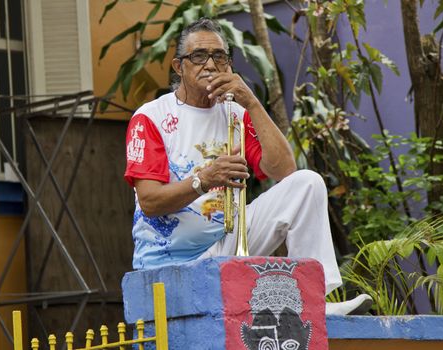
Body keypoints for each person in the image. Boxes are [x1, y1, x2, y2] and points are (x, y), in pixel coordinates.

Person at [124, 18, 371, 315]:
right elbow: (150, 202)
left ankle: (315, 302)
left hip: (226, 241)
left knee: (308, 182)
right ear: (179, 67)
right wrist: (204, 179)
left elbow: (285, 172)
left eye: (220, 57)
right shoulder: (151, 117)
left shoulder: (236, 113)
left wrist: (251, 102)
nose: (210, 65)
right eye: (199, 56)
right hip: (170, 260)